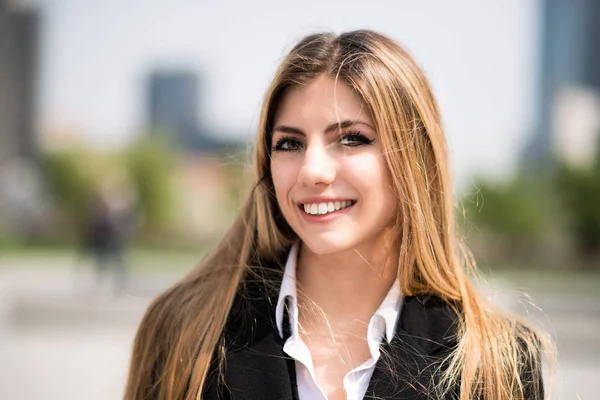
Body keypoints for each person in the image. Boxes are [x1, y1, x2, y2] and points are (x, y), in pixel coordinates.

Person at [125, 30, 550, 400]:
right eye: (289, 143)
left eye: (350, 138)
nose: (312, 171)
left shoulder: (499, 360)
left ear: (414, 160)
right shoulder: (184, 328)